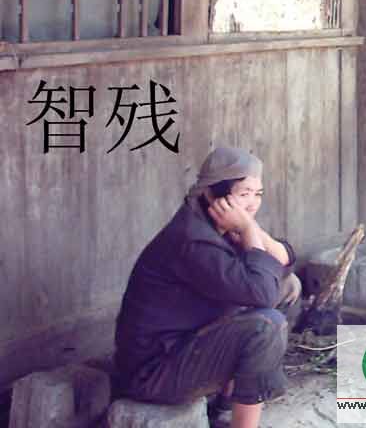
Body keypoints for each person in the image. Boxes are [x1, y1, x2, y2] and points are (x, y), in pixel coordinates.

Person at [114, 146, 302, 428]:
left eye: (258, 194)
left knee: (288, 286)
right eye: (244, 194)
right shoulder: (193, 240)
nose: (253, 204)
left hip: (184, 348)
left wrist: (250, 229)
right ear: (213, 195)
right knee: (266, 326)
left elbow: (283, 262)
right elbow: (262, 293)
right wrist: (248, 230)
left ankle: (223, 404)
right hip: (152, 373)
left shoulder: (216, 225)